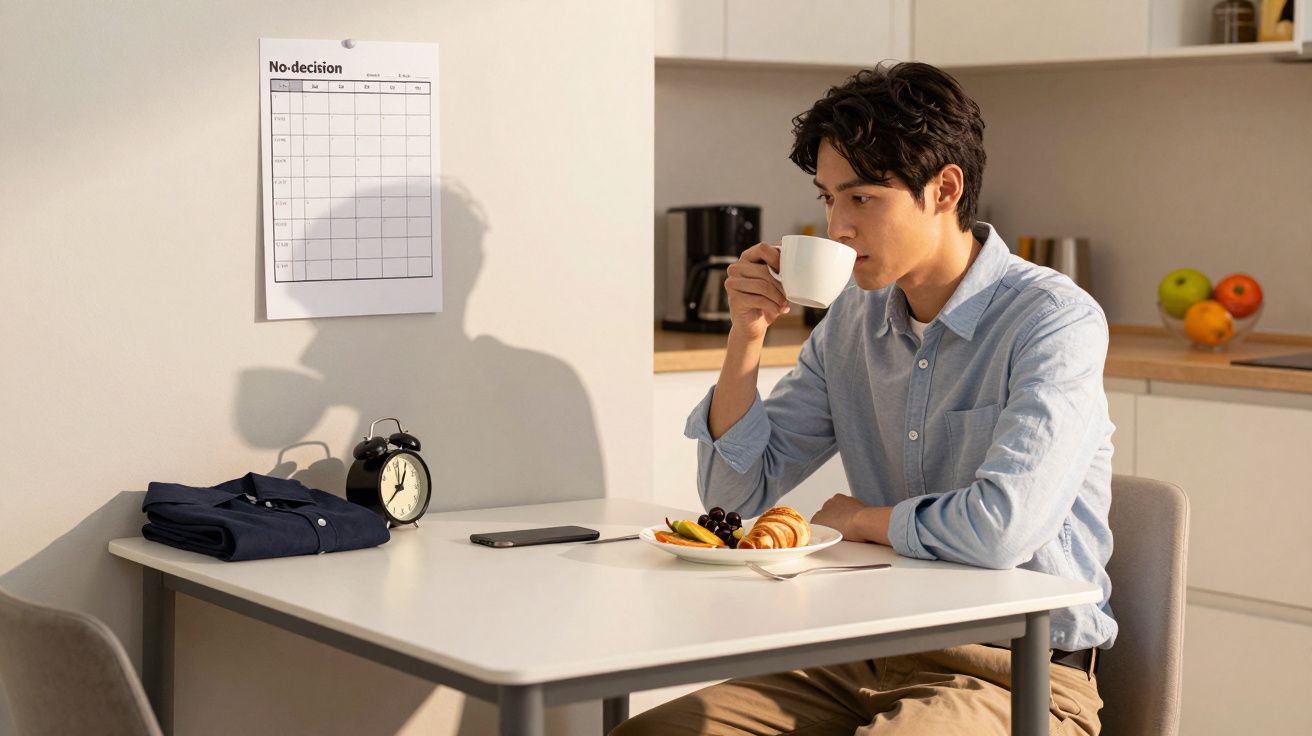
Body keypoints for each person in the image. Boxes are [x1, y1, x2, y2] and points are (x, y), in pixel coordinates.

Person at [616, 62, 1116, 735]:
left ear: (944, 189)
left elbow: (1004, 528)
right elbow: (731, 502)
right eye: (828, 199)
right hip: (863, 654)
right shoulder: (851, 322)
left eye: (861, 200)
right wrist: (746, 337)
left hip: (1017, 677)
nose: (837, 227)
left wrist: (865, 519)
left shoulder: (1053, 322)